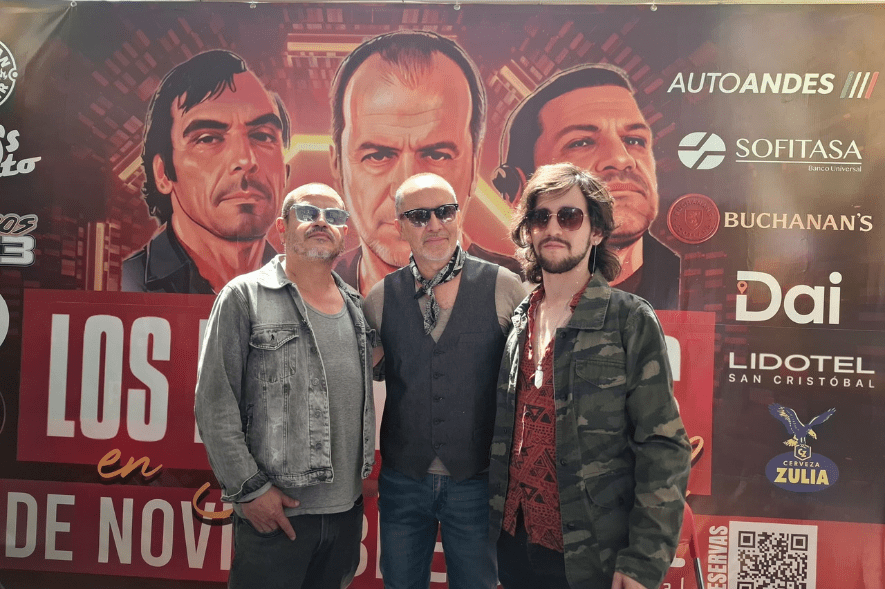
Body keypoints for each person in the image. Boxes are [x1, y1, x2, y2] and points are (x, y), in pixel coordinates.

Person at [489, 163, 691, 589]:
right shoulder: (520, 319)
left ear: (596, 231)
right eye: (540, 217)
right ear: (528, 231)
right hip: (513, 547)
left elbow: (663, 447)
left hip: (591, 557)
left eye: (569, 216)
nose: (552, 229)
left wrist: (642, 561)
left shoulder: (628, 319)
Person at [195, 183, 376, 588]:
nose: (322, 222)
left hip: (345, 517)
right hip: (277, 520)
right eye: (308, 212)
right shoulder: (244, 297)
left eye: (334, 216)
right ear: (282, 227)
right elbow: (214, 406)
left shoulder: (357, 308)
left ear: (345, 232)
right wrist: (250, 491)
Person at [362, 173, 525, 589]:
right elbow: (357, 383)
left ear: (459, 215)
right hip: (403, 480)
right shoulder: (379, 299)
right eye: (419, 216)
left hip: (478, 481)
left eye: (445, 211)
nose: (434, 225)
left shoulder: (504, 288)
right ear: (400, 226)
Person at [330, 30, 520, 296]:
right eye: (378, 156)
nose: (405, 191)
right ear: (338, 166)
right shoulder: (305, 294)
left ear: (474, 166)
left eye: (437, 155)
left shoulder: (527, 292)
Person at [493, 64, 680, 309]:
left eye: (634, 140)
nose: (622, 159)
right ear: (519, 191)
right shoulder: (501, 299)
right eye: (581, 142)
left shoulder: (689, 286)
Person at [123, 49, 290, 294]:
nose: (246, 159)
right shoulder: (125, 285)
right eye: (208, 138)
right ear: (163, 173)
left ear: (285, 172)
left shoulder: (302, 289)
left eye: (263, 136)